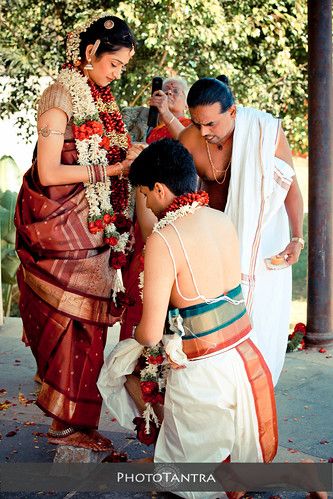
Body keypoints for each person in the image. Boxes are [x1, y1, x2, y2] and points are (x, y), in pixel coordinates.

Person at [98, 139, 278, 498]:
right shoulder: (220, 218)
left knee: (119, 363)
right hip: (243, 359)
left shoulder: (164, 239)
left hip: (203, 372)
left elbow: (149, 335)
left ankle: (184, 465)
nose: (145, 203)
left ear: (160, 189)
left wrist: (138, 331)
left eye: (145, 194)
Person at [14, 13, 143, 451]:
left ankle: (79, 421)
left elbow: (105, 156)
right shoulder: (58, 96)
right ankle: (66, 423)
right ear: (90, 53)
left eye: (123, 66)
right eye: (115, 64)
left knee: (91, 322)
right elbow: (49, 171)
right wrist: (112, 167)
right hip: (61, 226)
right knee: (71, 319)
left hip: (92, 223)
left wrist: (128, 156)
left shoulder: (98, 99)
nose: (118, 73)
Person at [179, 77, 304, 385]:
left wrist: (297, 237)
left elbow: (289, 186)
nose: (205, 132)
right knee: (210, 330)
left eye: (211, 123)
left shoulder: (265, 132)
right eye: (197, 123)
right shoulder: (189, 140)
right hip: (211, 247)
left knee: (260, 323)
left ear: (233, 111)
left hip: (260, 245)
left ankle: (254, 393)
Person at [119, 76, 191, 340]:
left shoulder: (189, 128)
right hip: (143, 208)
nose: (169, 92)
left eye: (176, 90)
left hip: (171, 217)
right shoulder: (147, 130)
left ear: (185, 101)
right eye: (165, 88)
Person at [146, 76, 192, 143]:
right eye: (165, 90)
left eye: (175, 91)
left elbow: (188, 144)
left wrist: (166, 113)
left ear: (187, 104)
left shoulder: (192, 125)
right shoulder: (150, 128)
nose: (169, 92)